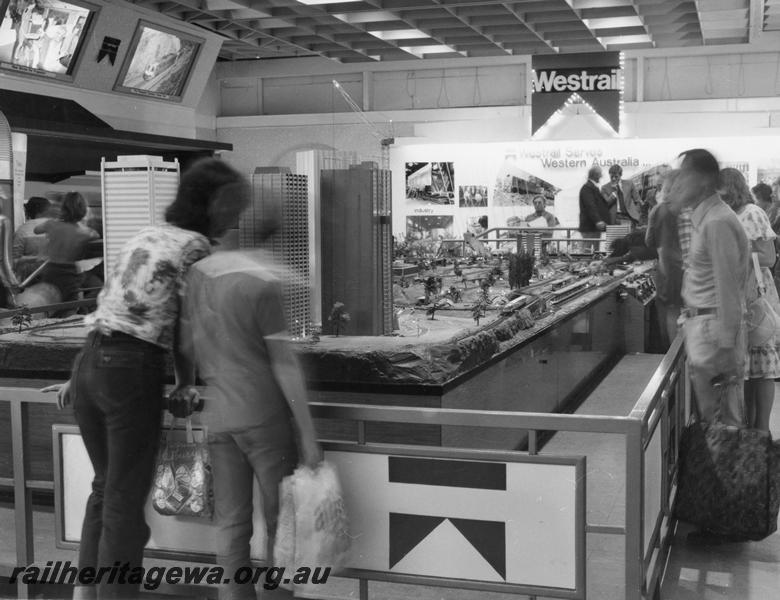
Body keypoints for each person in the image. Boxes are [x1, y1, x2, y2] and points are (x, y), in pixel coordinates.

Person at [43, 158, 250, 600]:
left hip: (89, 362)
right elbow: (187, 325)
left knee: (105, 489)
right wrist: (186, 383)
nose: (236, 218)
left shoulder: (146, 234)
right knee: (123, 501)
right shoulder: (195, 246)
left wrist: (80, 377)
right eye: (234, 208)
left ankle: (84, 592)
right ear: (214, 204)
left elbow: (114, 307)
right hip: (130, 369)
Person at [175, 244, 322, 600]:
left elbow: (185, 345)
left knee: (231, 523)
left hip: (220, 418)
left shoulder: (198, 283)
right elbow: (284, 363)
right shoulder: (261, 285)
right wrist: (308, 432)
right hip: (264, 417)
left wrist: (188, 381)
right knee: (281, 523)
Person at [670, 149, 749, 427]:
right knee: (715, 421)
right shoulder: (707, 219)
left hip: (713, 332)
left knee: (722, 425)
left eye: (685, 175)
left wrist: (726, 346)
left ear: (703, 180)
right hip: (707, 328)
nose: (679, 182)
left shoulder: (716, 222)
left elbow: (727, 287)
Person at [720, 168, 778, 431]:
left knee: (763, 365)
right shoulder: (729, 215)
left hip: (755, 295)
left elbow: (769, 257)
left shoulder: (752, 213)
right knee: (749, 366)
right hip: (738, 296)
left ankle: (762, 428)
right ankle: (751, 430)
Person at [34, 192, 99, 307]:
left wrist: (57, 219)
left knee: (49, 303)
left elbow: (36, 230)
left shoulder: (52, 224)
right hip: (70, 272)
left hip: (50, 270)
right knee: (69, 305)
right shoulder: (86, 233)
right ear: (83, 210)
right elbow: (95, 237)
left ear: (63, 209)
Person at [645, 170, 684, 349]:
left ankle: (673, 356)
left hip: (667, 267)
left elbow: (649, 241)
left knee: (671, 311)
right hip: (689, 267)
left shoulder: (658, 210)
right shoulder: (689, 208)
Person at [12, 195, 51, 281]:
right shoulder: (59, 227)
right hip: (56, 279)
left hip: (29, 280)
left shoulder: (22, 231)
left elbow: (14, 261)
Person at [578, 165, 610, 251]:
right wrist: (598, 220)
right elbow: (590, 206)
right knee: (587, 251)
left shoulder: (592, 187)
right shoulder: (588, 188)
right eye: (600, 175)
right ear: (595, 175)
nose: (601, 177)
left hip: (593, 227)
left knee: (594, 252)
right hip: (590, 227)